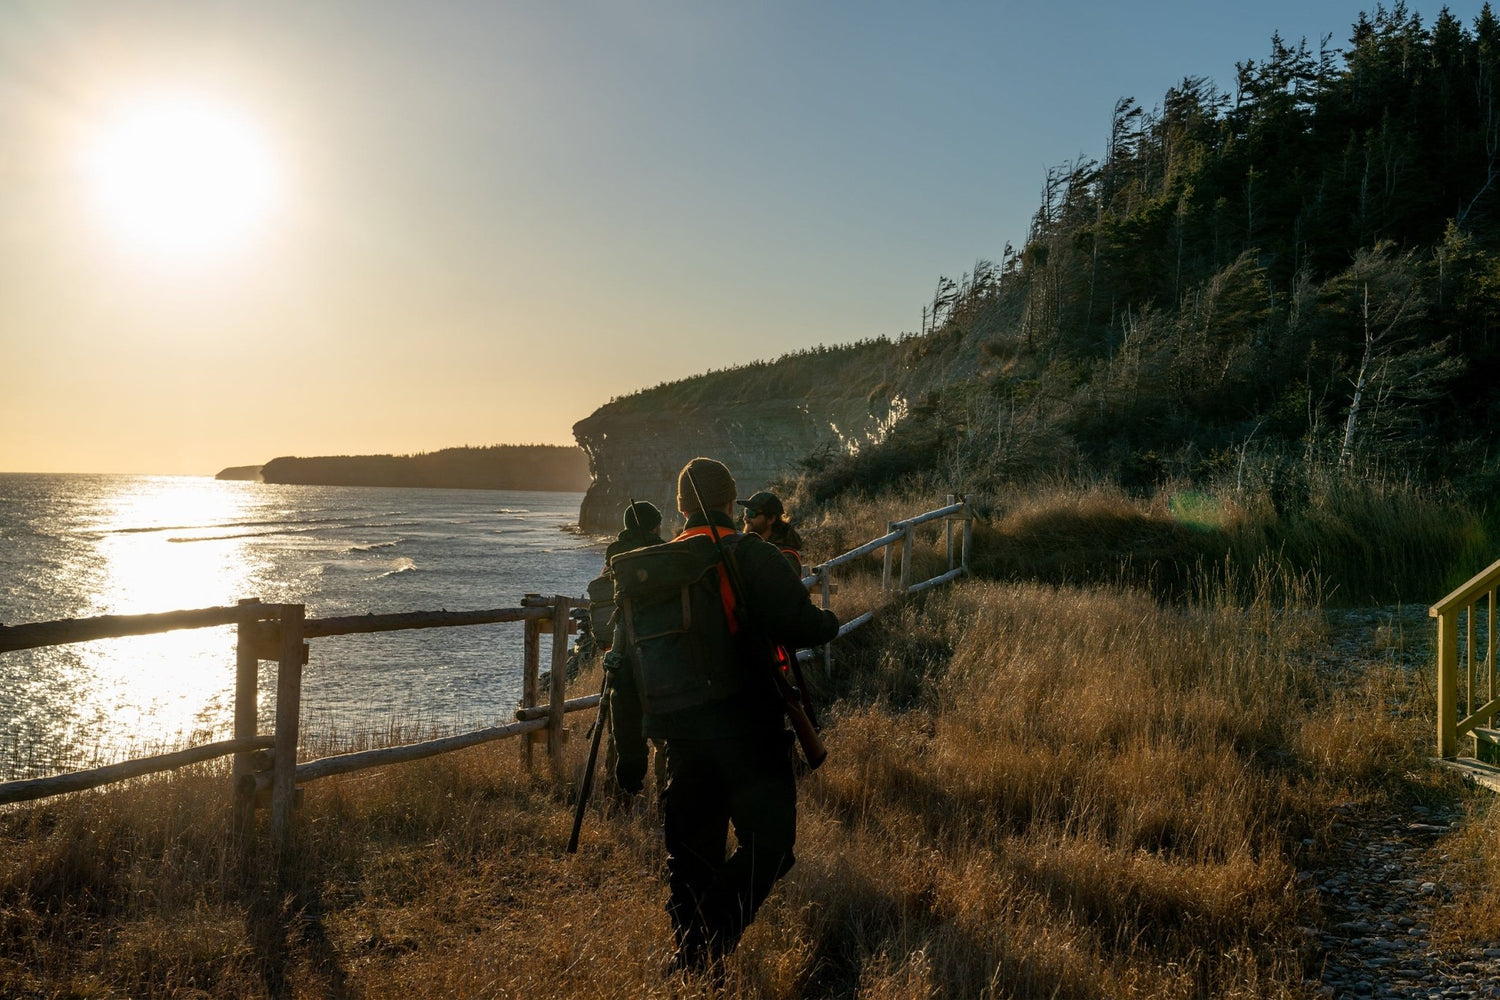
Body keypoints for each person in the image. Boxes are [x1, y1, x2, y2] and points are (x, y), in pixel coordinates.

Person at [606, 458, 839, 975]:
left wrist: (630, 758)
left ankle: (695, 967)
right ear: (733, 503)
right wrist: (830, 621)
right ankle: (696, 957)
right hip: (749, 730)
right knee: (772, 846)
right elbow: (803, 625)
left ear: (681, 509)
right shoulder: (752, 554)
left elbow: (622, 671)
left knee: (691, 860)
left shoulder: (651, 570)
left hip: (678, 735)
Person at [738, 490, 805, 577]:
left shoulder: (785, 558)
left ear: (771, 519)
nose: (745, 518)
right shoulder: (753, 547)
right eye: (746, 512)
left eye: (752, 513)